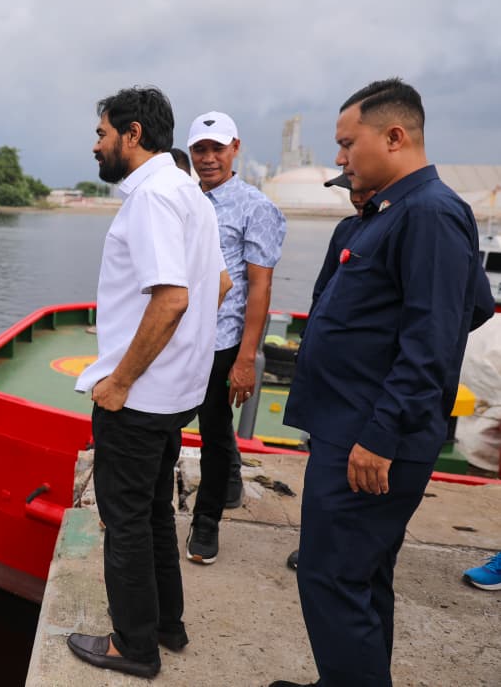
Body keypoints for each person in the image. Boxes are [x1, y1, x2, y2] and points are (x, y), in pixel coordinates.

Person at [270, 78, 495, 687]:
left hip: (370, 438)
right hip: (352, 426)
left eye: (348, 143)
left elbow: (433, 341)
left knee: (332, 577)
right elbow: (467, 305)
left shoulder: (429, 213)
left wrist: (381, 432)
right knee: (360, 578)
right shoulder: (392, 213)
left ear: (394, 136)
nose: (340, 158)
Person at [66, 86, 229, 678]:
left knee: (126, 521)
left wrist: (120, 380)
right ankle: (167, 625)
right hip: (175, 393)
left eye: (103, 134)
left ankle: (133, 647)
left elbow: (172, 299)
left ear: (133, 134)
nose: (96, 146)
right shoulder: (190, 193)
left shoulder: (154, 198)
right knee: (156, 512)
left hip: (139, 399)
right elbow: (220, 286)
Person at [185, 111, 286, 565]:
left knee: (212, 431)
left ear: (235, 149)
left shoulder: (255, 206)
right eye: (200, 150)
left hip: (222, 340)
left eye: (216, 149)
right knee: (189, 425)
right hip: (179, 335)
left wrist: (247, 358)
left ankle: (206, 523)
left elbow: (260, 287)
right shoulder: (185, 198)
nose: (208, 159)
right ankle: (228, 482)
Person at [286, 172, 376, 572]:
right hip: (329, 384)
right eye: (350, 191)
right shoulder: (347, 230)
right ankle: (317, 544)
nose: (356, 197)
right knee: (322, 472)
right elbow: (323, 292)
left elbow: (471, 306)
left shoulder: (413, 226)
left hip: (365, 388)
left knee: (356, 482)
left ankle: (341, 556)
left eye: (362, 189)